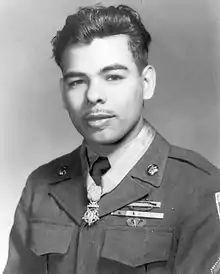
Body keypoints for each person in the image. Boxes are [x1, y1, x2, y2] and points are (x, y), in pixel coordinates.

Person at [3, 4, 220, 274]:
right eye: (77, 81)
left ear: (146, 83)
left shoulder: (199, 188)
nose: (94, 95)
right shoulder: (42, 185)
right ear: (63, 92)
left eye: (113, 77)